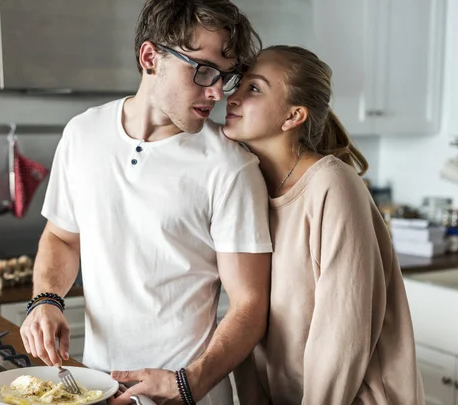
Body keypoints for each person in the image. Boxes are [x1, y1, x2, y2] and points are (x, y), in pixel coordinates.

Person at [20, 1, 273, 404]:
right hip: (94, 389)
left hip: (189, 393)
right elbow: (62, 238)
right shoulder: (82, 134)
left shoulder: (230, 167)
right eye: (204, 70)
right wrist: (46, 300)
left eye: (225, 78)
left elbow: (250, 305)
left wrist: (188, 384)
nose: (215, 92)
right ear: (151, 57)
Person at [223, 45, 424, 404]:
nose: (232, 97)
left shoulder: (332, 185)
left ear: (293, 116)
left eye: (253, 88)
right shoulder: (246, 185)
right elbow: (248, 318)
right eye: (239, 84)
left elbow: (342, 335)